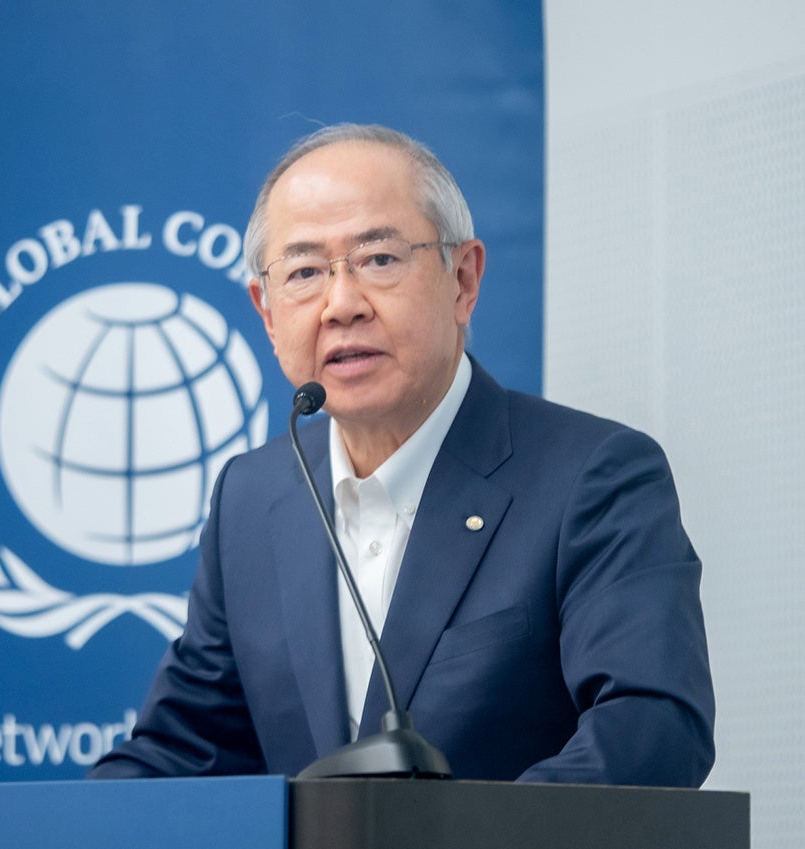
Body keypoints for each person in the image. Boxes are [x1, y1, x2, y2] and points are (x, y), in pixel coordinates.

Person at [88, 123, 715, 785]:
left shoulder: (593, 477)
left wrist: (454, 833)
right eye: (304, 272)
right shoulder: (252, 497)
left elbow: (651, 728)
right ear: (267, 313)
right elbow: (184, 752)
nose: (341, 305)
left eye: (379, 259)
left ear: (462, 280)